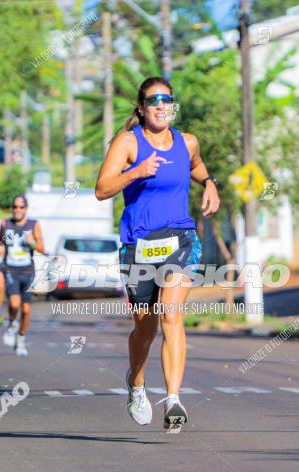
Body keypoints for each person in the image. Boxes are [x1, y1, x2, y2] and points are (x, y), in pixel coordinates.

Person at [95, 76, 220, 431]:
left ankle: (174, 398)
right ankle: (136, 384)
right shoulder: (128, 143)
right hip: (138, 245)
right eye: (153, 100)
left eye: (166, 99)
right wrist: (135, 172)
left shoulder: (187, 142)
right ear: (142, 107)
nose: (161, 106)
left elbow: (195, 165)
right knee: (145, 330)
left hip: (180, 238)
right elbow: (102, 189)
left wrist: (210, 183)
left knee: (171, 316)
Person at [0, 194, 45, 356]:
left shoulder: (34, 225)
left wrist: (32, 241)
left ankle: (21, 338)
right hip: (11, 269)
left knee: (26, 310)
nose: (18, 210)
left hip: (28, 270)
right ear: (12, 208)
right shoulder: (5, 224)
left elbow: (42, 249)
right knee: (14, 304)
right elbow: (0, 243)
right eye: (15, 207)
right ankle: (12, 324)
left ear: (26, 208)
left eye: (21, 207)